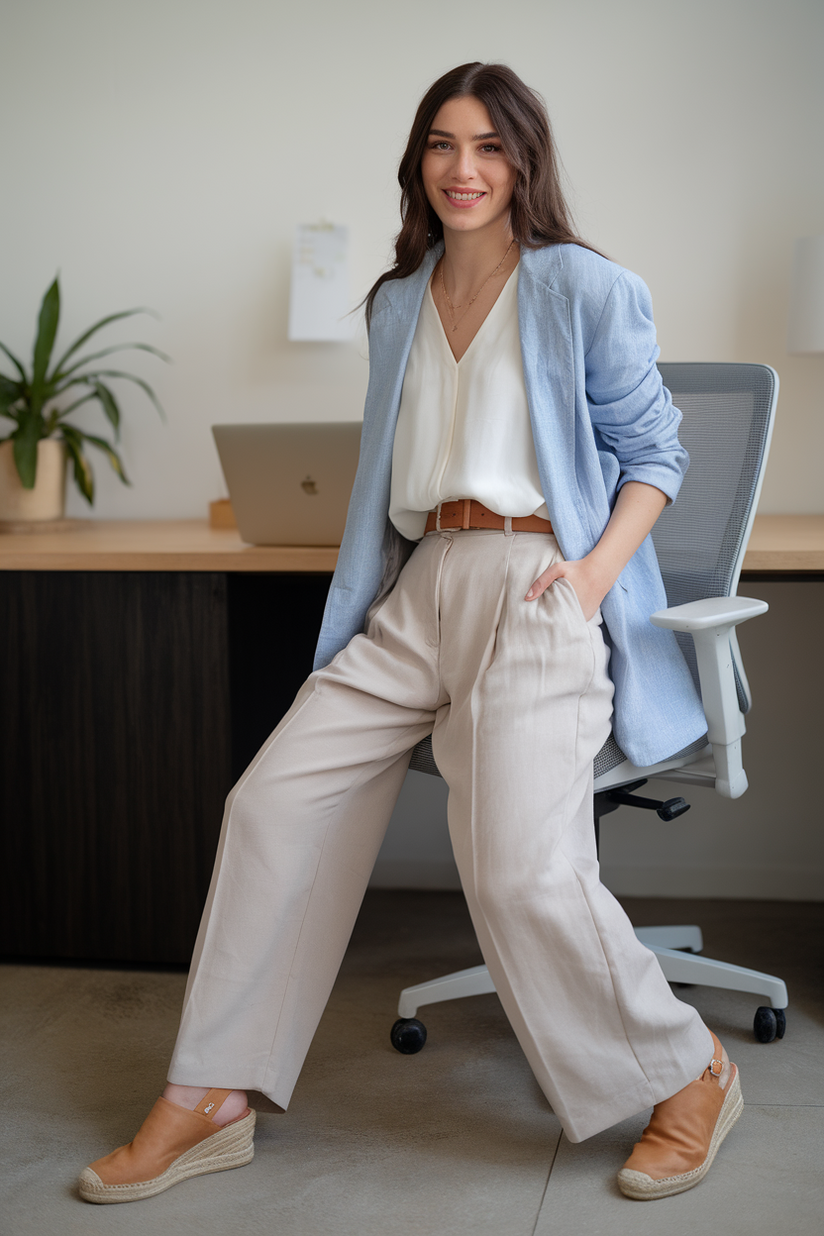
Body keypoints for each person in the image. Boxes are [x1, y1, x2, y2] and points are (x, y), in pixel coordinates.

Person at [79, 62, 742, 1206]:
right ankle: (214, 1094)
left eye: (487, 145)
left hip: (536, 584)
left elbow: (657, 459)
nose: (463, 167)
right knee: (271, 804)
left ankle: (689, 1074)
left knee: (516, 868)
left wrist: (584, 582)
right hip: (417, 586)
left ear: (522, 160)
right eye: (441, 144)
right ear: (417, 162)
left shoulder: (583, 286)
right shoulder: (397, 301)